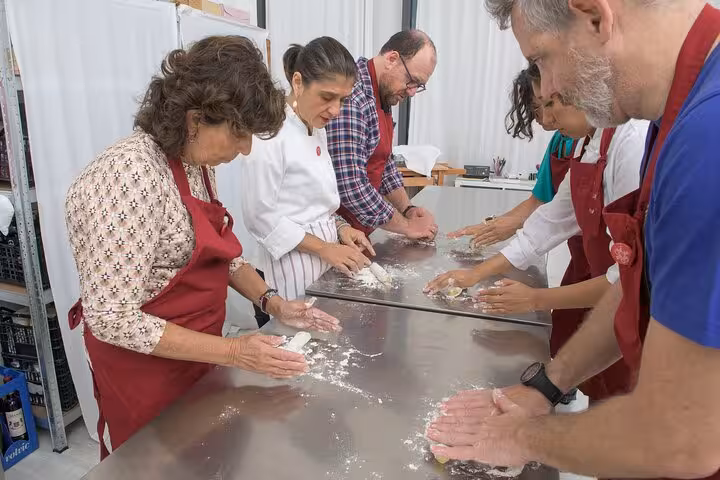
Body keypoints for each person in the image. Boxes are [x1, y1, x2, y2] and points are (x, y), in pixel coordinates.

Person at [427, 1, 720, 478]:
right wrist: (546, 386)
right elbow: (633, 280)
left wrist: (520, 437)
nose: (549, 91)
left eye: (541, 60)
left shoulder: (709, 138)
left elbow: (682, 436)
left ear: (595, 16)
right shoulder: (671, 121)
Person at [65, 36, 340, 458]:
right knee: (154, 465)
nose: (247, 148)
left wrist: (272, 302)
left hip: (196, 357)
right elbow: (110, 318)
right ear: (196, 118)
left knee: (201, 459)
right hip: (143, 374)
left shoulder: (195, 165)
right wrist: (233, 351)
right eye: (240, 133)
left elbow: (222, 257)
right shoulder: (128, 176)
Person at [426, 81, 647, 400]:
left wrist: (536, 299)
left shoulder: (630, 141)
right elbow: (547, 222)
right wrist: (477, 274)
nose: (548, 121)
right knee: (600, 395)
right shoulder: (585, 144)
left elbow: (625, 279)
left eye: (550, 106)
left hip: (632, 311)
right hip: (606, 295)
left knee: (622, 402)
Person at [241, 37, 375, 310]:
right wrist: (325, 248)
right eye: (327, 97)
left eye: (343, 99)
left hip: (321, 265)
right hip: (285, 273)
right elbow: (259, 217)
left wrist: (341, 228)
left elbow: (313, 202)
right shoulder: (270, 131)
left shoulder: (316, 126)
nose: (336, 110)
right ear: (298, 82)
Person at [326, 29, 439, 240]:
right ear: (392, 59)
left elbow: (384, 164)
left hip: (360, 232)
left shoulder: (383, 93)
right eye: (411, 81)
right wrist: (407, 227)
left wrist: (408, 209)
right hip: (336, 236)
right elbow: (351, 186)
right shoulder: (353, 98)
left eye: (419, 85)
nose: (412, 91)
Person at [449, 64, 577, 248]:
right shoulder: (559, 141)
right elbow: (537, 202)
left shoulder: (586, 142)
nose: (541, 118)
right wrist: (491, 226)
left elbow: (563, 216)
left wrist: (513, 224)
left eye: (539, 106)